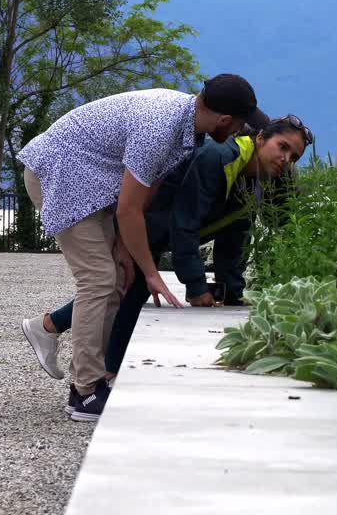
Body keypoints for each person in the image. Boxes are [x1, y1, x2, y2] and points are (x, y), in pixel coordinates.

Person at [18, 74, 260, 422]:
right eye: (239, 126)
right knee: (99, 280)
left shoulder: (186, 125)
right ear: (225, 120)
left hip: (90, 181)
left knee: (114, 276)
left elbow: (149, 185)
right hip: (61, 174)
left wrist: (123, 247)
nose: (240, 133)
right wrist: (151, 273)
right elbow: (128, 210)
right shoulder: (160, 126)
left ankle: (65, 357)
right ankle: (85, 392)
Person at [22, 115, 313, 400]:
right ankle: (81, 359)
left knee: (125, 289)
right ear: (261, 138)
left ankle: (56, 333)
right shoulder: (220, 157)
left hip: (156, 229)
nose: (286, 159)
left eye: (295, 157)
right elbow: (186, 222)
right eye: (283, 147)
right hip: (141, 220)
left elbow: (234, 241)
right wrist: (196, 287)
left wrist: (232, 293)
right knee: (116, 287)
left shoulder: (253, 185)